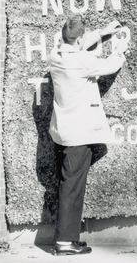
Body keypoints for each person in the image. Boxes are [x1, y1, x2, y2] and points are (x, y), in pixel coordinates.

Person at [49, 16, 128, 256]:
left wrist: (102, 32)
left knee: (70, 184)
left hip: (63, 132)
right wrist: (120, 49)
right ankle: (64, 242)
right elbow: (111, 66)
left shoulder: (55, 56)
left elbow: (77, 42)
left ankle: (69, 238)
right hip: (79, 135)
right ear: (80, 39)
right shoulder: (83, 61)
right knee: (72, 187)